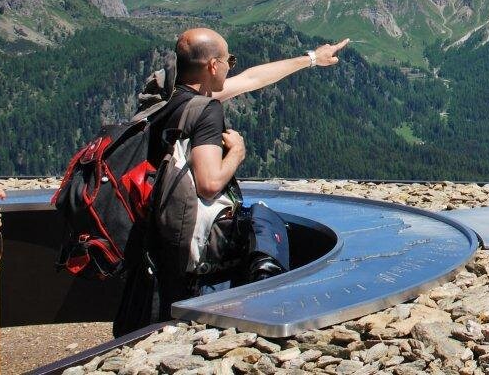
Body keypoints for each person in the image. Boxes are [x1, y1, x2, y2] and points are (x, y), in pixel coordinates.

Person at [124, 27, 349, 329]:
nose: (232, 65)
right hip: (191, 242)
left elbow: (251, 79)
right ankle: (266, 301)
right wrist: (237, 153)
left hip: (153, 233)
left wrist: (312, 58)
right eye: (229, 58)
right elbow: (209, 183)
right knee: (263, 220)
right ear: (213, 66)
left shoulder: (166, 100)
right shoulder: (205, 111)